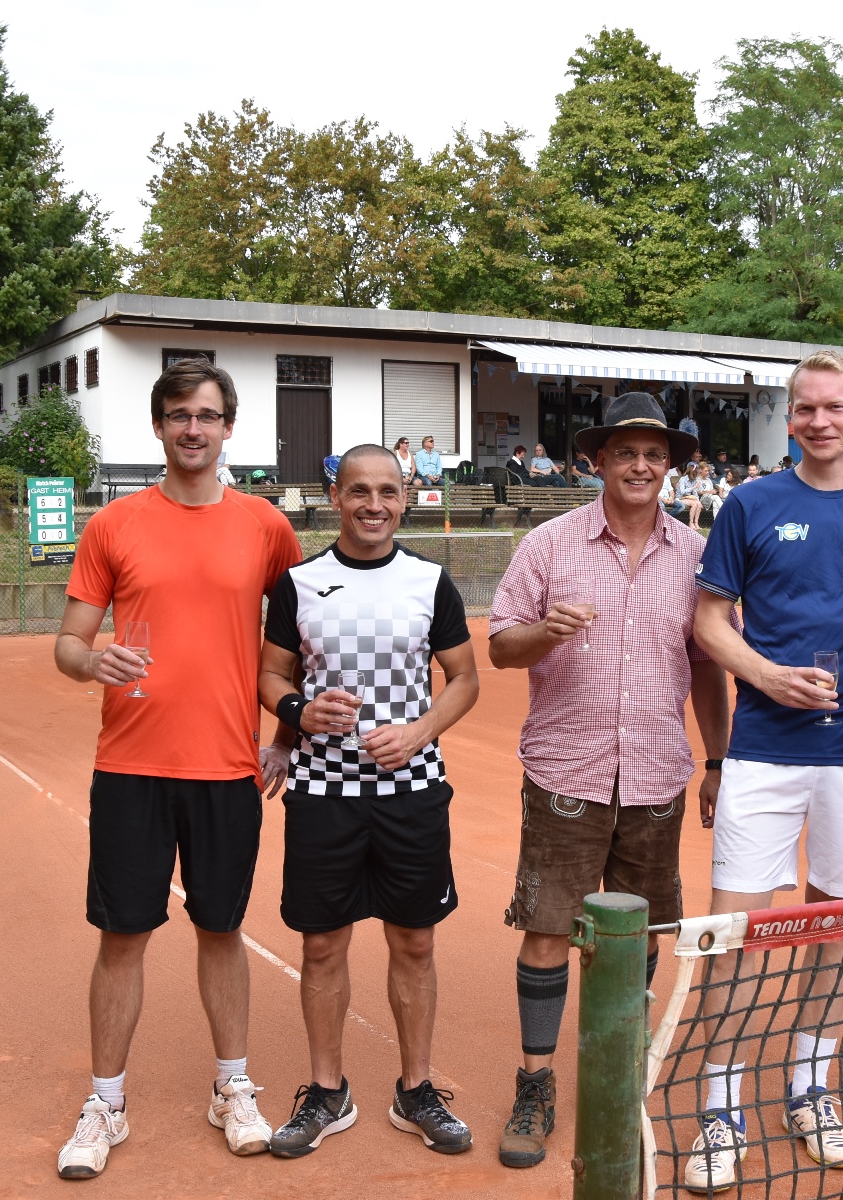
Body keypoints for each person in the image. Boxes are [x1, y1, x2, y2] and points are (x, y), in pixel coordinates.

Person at [684, 349, 843, 1190]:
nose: (819, 421)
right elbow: (709, 622)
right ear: (789, 417)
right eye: (805, 409)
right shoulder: (750, 504)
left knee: (834, 925)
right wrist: (767, 676)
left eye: (834, 407)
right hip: (764, 750)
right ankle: (720, 1109)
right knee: (735, 933)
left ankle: (811, 1089)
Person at [50, 358, 303, 1179]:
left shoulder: (265, 527)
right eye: (179, 415)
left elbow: (294, 645)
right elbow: (68, 643)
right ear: (159, 427)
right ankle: (106, 1103)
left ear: (229, 428)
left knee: (222, 930)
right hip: (131, 765)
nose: (193, 428)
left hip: (227, 768)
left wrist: (285, 736)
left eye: (207, 415)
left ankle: (232, 1088)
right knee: (122, 935)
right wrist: (94, 661)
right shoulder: (114, 525)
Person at [487, 392, 732, 1170]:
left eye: (654, 454)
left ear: (670, 467)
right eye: (625, 452)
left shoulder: (697, 555)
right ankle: (536, 1084)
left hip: (657, 773)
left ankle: (623, 1072)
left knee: (644, 935)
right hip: (566, 770)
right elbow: (500, 648)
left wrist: (718, 761)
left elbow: (708, 668)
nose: (640, 466)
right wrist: (542, 632)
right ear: (598, 461)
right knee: (547, 928)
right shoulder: (549, 545)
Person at [257, 444, 482, 1159]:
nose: (374, 505)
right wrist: (299, 712)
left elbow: (465, 679)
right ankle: (328, 1093)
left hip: (411, 792)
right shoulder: (298, 583)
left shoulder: (430, 581)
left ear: (406, 497)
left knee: (414, 941)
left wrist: (418, 732)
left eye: (388, 491)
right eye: (359, 491)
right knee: (322, 944)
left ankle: (416, 1091)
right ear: (336, 496)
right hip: (323, 791)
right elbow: (269, 675)